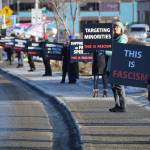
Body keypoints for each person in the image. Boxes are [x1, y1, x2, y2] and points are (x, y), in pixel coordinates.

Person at [107, 21, 128, 112]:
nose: (115, 29)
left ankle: (122, 106)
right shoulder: (113, 39)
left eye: (117, 27)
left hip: (118, 66)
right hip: (111, 66)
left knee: (119, 87)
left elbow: (117, 52)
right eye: (114, 27)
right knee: (114, 87)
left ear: (121, 29)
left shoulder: (122, 39)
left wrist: (104, 51)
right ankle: (117, 105)